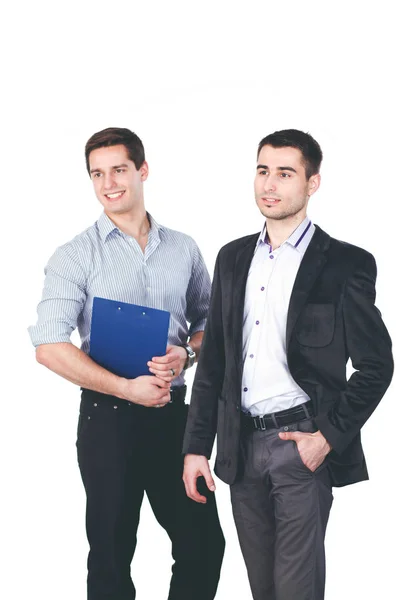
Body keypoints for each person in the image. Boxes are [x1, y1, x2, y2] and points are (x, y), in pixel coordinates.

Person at [182, 129, 393, 600]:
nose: (269, 184)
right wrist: (196, 446)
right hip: (240, 448)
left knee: (295, 592)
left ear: (312, 183)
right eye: (262, 171)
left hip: (300, 446)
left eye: (284, 173)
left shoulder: (344, 264)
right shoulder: (233, 258)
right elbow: (213, 361)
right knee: (264, 591)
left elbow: (377, 365)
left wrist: (327, 439)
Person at [28, 127, 225, 600]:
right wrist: (124, 387)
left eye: (118, 169)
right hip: (108, 419)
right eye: (97, 173)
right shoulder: (75, 255)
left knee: (202, 543)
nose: (108, 182)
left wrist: (188, 355)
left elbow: (211, 324)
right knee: (112, 554)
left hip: (175, 418)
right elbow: (48, 345)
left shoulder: (182, 248)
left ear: (142, 170)